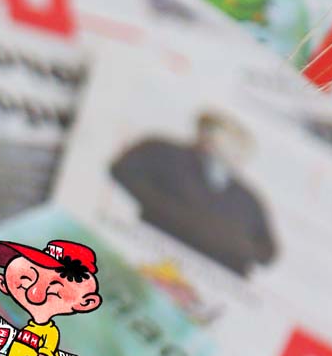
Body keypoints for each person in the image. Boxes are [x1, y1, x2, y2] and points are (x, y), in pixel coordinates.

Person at [110, 111, 276, 276]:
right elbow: (123, 169)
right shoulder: (166, 153)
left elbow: (268, 251)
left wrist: (233, 243)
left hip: (217, 278)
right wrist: (168, 211)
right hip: (152, 254)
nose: (235, 146)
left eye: (239, 141)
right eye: (228, 135)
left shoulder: (248, 199)